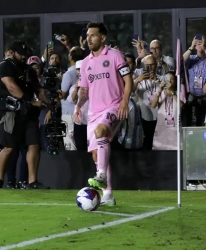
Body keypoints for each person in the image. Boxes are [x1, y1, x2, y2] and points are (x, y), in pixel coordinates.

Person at [74, 22, 132, 205]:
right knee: (97, 155)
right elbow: (84, 90)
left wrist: (124, 102)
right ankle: (108, 195)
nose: (89, 39)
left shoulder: (115, 56)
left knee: (101, 132)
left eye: (93, 35)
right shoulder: (85, 63)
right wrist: (78, 106)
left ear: (103, 38)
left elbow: (129, 80)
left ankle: (100, 176)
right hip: (93, 112)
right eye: (88, 35)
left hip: (114, 106)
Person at [0, 40, 49, 189]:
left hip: (27, 112)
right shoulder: (4, 66)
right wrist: (32, 101)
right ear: (12, 52)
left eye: (25, 54)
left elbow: (38, 88)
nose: (23, 56)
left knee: (34, 144)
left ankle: (32, 181)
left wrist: (48, 101)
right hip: (8, 111)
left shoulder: (28, 69)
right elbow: (11, 87)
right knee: (9, 147)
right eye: (20, 54)